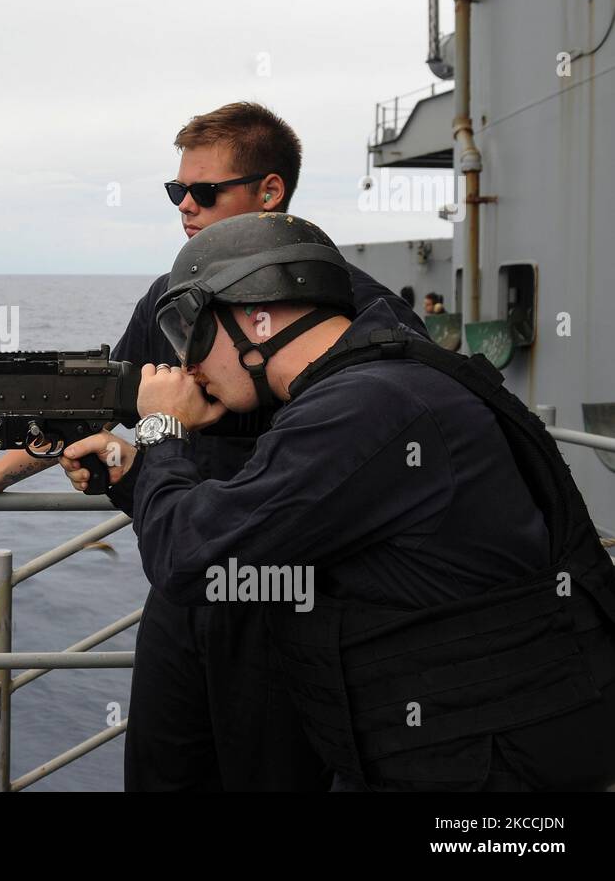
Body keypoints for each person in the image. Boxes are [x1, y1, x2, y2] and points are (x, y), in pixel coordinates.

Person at [0, 101, 427, 790]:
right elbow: (95, 406)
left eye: (204, 192)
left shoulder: (361, 314)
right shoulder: (171, 302)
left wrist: (159, 437)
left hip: (294, 598)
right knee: (162, 767)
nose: (184, 205)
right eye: (175, 191)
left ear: (271, 192)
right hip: (185, 584)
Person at [62, 212, 615, 791]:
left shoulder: (361, 409)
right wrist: (134, 475)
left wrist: (160, 429)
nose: (187, 363)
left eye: (190, 331)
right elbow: (261, 522)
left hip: (484, 766)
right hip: (456, 743)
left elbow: (190, 558)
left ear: (259, 317)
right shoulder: (380, 381)